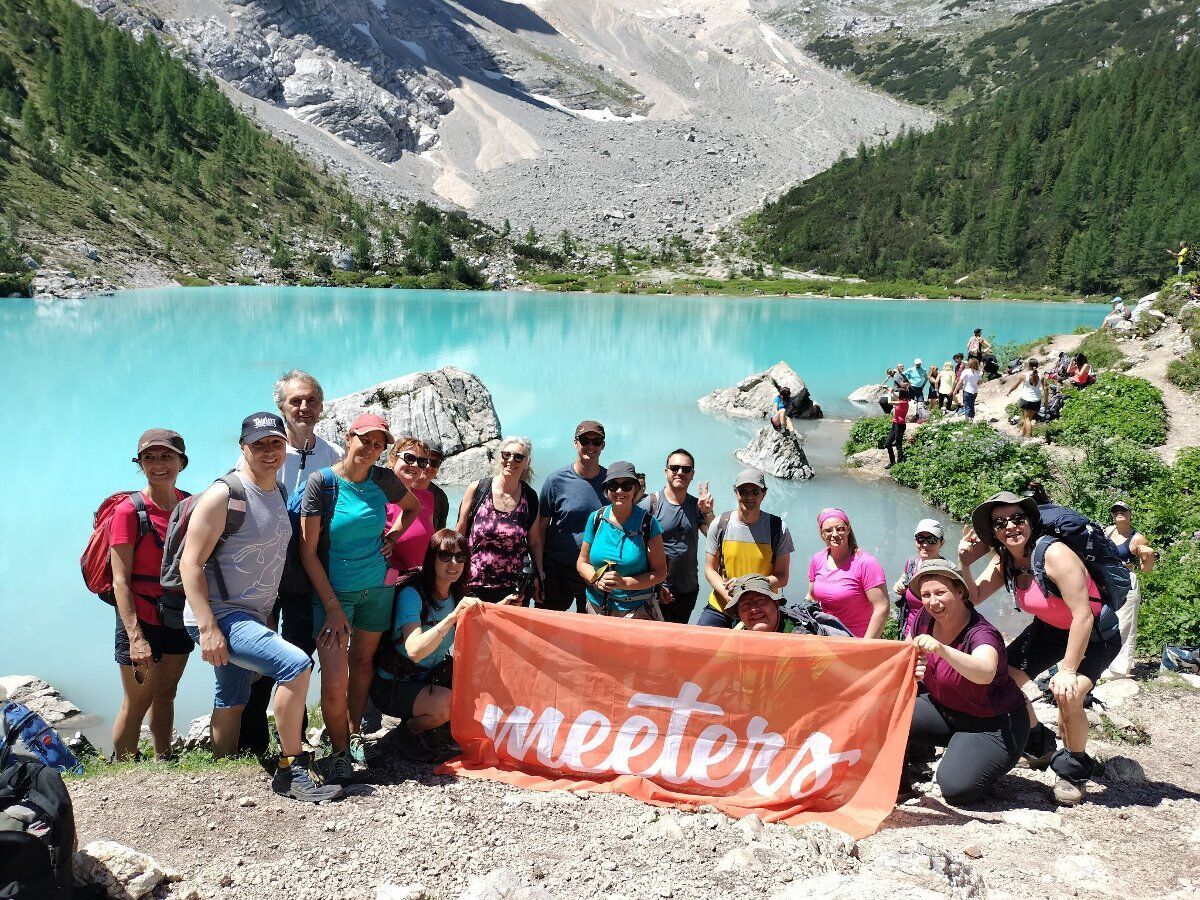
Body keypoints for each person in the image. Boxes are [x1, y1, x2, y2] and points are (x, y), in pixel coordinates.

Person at [182, 413, 339, 802]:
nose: (268, 451)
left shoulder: (279, 491)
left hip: (249, 614)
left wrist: (265, 614)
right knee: (297, 664)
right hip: (220, 615)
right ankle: (292, 768)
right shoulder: (225, 494)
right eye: (258, 444)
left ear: (284, 445)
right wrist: (208, 629)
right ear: (243, 448)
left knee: (232, 698)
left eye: (274, 443)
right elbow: (190, 563)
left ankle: (219, 780)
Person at [959, 492, 1122, 805]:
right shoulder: (1005, 558)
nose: (1010, 527)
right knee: (998, 681)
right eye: (1000, 522)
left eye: (1018, 519)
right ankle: (1038, 743)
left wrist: (1068, 670)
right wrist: (965, 562)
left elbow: (1083, 616)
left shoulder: (1055, 554)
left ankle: (1072, 771)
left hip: (1094, 633)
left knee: (1068, 694)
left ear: (1030, 521)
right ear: (993, 531)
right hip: (1049, 630)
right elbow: (975, 595)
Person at [299, 413, 419, 784]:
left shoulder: (383, 479)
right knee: (335, 678)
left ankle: (351, 736)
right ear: (349, 437)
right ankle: (336, 753)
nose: (370, 449)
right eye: (365, 440)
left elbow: (411, 508)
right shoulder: (323, 482)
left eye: (379, 444)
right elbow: (307, 552)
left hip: (377, 591)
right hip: (334, 596)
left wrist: (393, 537)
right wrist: (333, 607)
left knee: (363, 664)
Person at [238, 370, 344, 757]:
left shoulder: (331, 454)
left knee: (299, 652)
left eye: (311, 400)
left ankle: (293, 739)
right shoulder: (264, 451)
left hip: (305, 573)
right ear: (280, 406)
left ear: (321, 405)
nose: (304, 408)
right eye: (295, 401)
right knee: (257, 654)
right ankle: (251, 742)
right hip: (261, 571)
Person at [904, 559, 1029, 805]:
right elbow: (907, 653)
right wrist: (912, 667)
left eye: (941, 592)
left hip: (994, 725)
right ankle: (901, 785)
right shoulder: (923, 618)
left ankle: (979, 754)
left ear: (960, 591)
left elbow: (985, 672)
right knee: (887, 714)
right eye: (926, 595)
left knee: (955, 789)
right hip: (944, 710)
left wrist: (942, 650)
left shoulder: (982, 633)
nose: (933, 601)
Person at [109, 429, 192, 761]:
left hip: (176, 613)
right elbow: (120, 581)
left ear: (181, 463)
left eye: (166, 457)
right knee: (138, 700)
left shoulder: (190, 505)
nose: (158, 465)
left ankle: (164, 757)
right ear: (140, 464)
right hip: (138, 619)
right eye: (150, 458)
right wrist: (135, 637)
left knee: (166, 694)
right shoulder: (128, 512)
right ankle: (127, 769)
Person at [370, 530, 486, 761]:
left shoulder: (455, 593)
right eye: (445, 556)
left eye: (460, 557)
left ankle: (432, 727)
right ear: (431, 558)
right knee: (448, 705)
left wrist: (504, 607)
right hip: (394, 685)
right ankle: (405, 734)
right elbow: (414, 650)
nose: (453, 563)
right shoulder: (413, 594)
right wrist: (452, 617)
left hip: (429, 678)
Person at [700, 469, 794, 628]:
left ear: (763, 494)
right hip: (722, 604)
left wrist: (745, 587)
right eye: (744, 491)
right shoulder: (720, 524)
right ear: (736, 492)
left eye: (755, 491)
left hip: (760, 609)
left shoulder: (777, 528)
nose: (749, 496)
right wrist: (729, 596)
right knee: (700, 646)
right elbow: (710, 569)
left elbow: (782, 577)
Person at [456, 436, 543, 605]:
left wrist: (539, 575)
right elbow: (459, 533)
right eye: (506, 455)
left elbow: (535, 542)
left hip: (514, 589)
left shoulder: (530, 497)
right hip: (474, 584)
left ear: (527, 463)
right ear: (500, 458)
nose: (511, 460)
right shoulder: (478, 489)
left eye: (518, 457)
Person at [577, 461, 667, 619]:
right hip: (596, 608)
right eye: (613, 485)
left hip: (636, 611)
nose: (619, 491)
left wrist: (624, 583)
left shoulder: (648, 523)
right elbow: (582, 562)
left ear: (635, 488)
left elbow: (660, 573)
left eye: (626, 485)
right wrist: (597, 579)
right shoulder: (596, 518)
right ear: (606, 489)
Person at [535, 420, 608, 612]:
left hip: (595, 572)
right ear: (575, 443)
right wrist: (539, 570)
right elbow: (540, 529)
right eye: (585, 440)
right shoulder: (556, 481)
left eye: (596, 441)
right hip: (557, 569)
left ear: (603, 445)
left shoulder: (612, 484)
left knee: (591, 636)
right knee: (548, 630)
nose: (590, 446)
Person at [640, 449, 715, 624]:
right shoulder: (650, 505)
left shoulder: (696, 505)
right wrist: (656, 586)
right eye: (674, 468)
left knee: (678, 640)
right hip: (655, 590)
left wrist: (708, 512)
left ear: (692, 474)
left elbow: (714, 537)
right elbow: (635, 548)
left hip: (688, 589)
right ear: (666, 471)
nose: (680, 472)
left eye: (686, 469)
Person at [806, 508, 889, 639]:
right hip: (825, 637)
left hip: (856, 640)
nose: (834, 534)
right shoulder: (817, 559)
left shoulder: (866, 563)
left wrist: (865, 645)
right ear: (822, 533)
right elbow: (811, 596)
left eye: (839, 529)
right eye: (828, 530)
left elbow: (882, 607)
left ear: (848, 529)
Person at [1102, 501, 1156, 680]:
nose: (1119, 513)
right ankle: (1101, 662)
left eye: (1123, 510)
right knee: (1103, 621)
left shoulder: (1138, 538)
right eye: (1115, 510)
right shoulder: (1107, 531)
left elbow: (1146, 569)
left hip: (1126, 581)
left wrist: (1149, 556)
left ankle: (1118, 669)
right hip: (1104, 581)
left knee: (1125, 623)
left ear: (1130, 514)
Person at [384, 437, 443, 576]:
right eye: (409, 458)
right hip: (393, 582)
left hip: (424, 580)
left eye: (422, 461)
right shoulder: (379, 499)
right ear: (393, 459)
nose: (415, 464)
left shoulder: (428, 497)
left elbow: (431, 542)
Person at [891, 519, 947, 639]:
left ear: (941, 543)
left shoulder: (947, 572)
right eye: (920, 539)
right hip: (907, 631)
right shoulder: (912, 563)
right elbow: (904, 577)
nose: (925, 545)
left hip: (933, 639)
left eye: (932, 540)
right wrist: (900, 584)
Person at [1008, 358, 1043, 439]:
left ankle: (1028, 437)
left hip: (1026, 400)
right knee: (1027, 418)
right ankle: (1022, 435)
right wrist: (1046, 401)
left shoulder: (1024, 375)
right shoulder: (1042, 375)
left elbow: (1015, 386)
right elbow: (1046, 388)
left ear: (1029, 366)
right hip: (1036, 400)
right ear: (1037, 366)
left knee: (1027, 419)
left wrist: (1009, 391)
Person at [885, 388, 910, 469]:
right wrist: (892, 392)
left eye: (899, 393)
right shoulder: (902, 400)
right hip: (895, 423)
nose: (898, 394)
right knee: (888, 444)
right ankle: (892, 462)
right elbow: (896, 398)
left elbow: (889, 402)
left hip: (900, 425)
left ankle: (899, 462)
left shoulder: (903, 402)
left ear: (902, 395)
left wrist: (889, 393)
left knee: (898, 445)